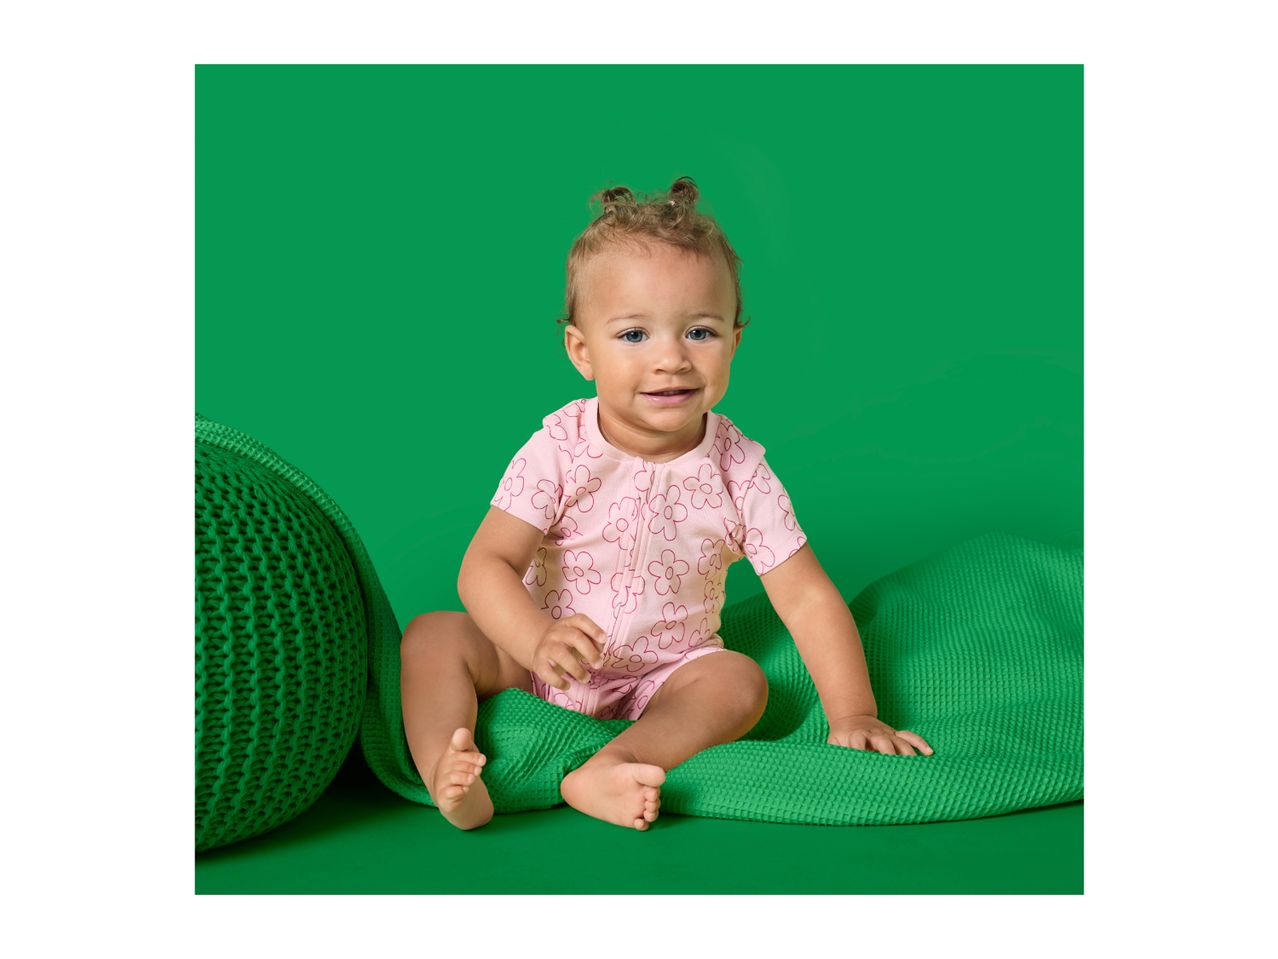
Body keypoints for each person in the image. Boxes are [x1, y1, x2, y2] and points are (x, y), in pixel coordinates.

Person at [400, 176, 933, 832]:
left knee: (740, 683)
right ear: (581, 350)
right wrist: (534, 639)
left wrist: (853, 712)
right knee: (433, 635)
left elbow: (806, 597)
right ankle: (448, 772)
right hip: (542, 657)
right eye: (633, 335)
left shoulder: (742, 470)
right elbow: (484, 565)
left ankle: (611, 764)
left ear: (735, 341)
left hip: (668, 670)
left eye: (700, 332)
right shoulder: (559, 448)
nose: (671, 360)